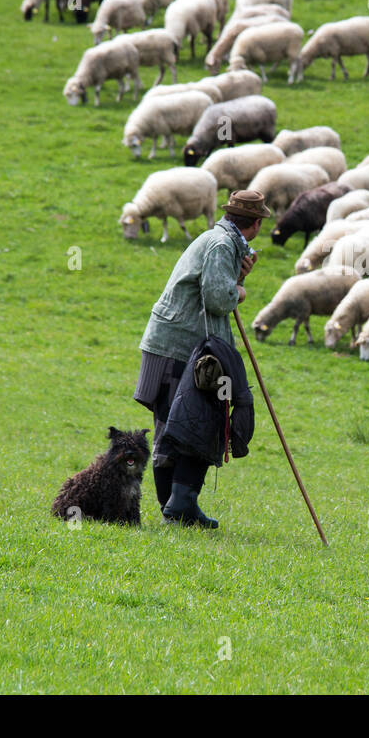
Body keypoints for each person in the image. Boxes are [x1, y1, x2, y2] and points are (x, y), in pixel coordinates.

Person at [133, 189, 270, 524]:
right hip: (180, 347)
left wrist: (235, 276)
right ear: (255, 224)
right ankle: (177, 507)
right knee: (191, 424)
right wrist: (239, 290)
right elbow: (216, 299)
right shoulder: (222, 245)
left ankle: (179, 506)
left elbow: (209, 286)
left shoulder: (217, 239)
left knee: (180, 424)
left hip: (173, 342)